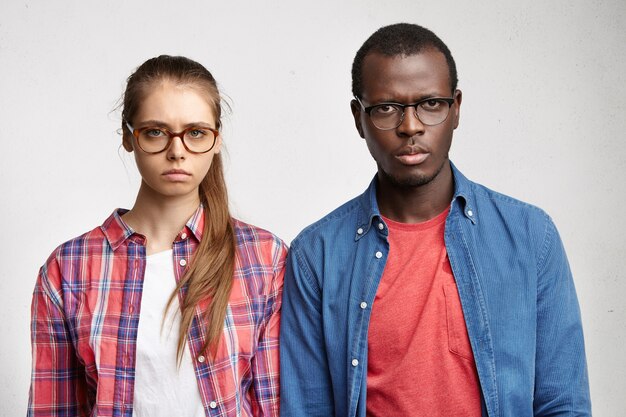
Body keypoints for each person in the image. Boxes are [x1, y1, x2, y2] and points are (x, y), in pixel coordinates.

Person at [279, 23, 591, 416]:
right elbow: (307, 408)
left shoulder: (530, 236)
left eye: (430, 103)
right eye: (387, 108)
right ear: (359, 117)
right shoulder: (317, 254)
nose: (410, 127)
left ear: (455, 108)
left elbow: (563, 403)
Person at [28, 55, 286, 417]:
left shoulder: (264, 257)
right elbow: (52, 409)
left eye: (196, 132)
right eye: (156, 132)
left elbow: (274, 404)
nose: (177, 151)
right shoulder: (68, 269)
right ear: (128, 137)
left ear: (216, 140)